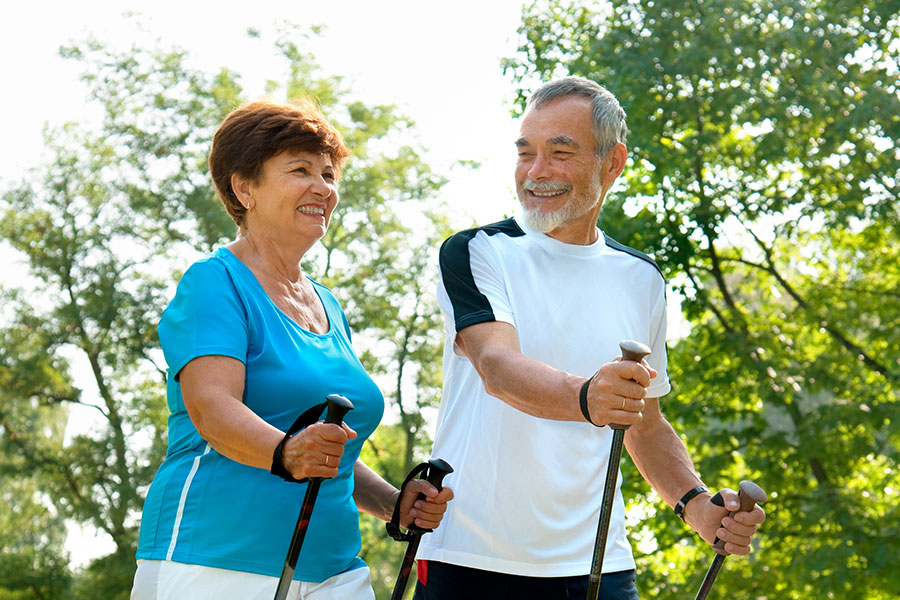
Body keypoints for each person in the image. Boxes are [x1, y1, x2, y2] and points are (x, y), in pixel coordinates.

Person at [414, 77, 766, 599]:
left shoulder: (641, 278)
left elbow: (644, 422)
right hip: (469, 559)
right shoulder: (477, 251)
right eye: (526, 153)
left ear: (612, 162)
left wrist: (697, 506)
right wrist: (589, 397)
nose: (536, 172)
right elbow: (497, 368)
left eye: (560, 153)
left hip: (600, 566)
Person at [131, 99, 453, 600]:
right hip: (213, 560)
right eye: (300, 170)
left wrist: (394, 504)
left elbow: (328, 452)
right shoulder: (214, 283)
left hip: (335, 569)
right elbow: (212, 408)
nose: (322, 187)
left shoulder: (328, 305)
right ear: (245, 189)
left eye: (328, 174)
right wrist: (285, 452)